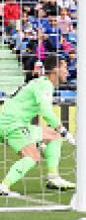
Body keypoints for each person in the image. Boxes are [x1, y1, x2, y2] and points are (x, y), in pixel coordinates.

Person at [0, 55, 76, 196]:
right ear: (55, 69)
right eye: (65, 67)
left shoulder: (41, 83)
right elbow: (46, 111)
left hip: (14, 122)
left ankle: (53, 178)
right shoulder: (44, 84)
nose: (68, 71)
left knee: (54, 136)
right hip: (11, 123)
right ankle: (4, 186)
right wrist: (65, 131)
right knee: (32, 156)